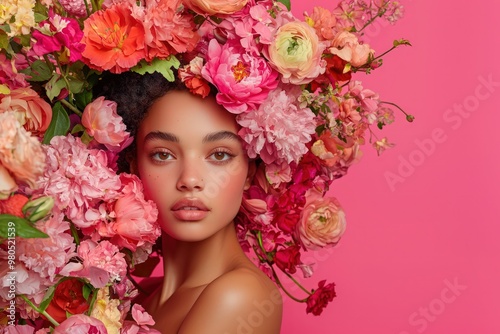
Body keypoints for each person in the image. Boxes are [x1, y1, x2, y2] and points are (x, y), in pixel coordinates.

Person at [96, 72, 283, 333]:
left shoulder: (238, 296)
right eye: (163, 154)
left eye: (219, 155)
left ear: (250, 172)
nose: (190, 179)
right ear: (134, 167)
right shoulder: (140, 297)